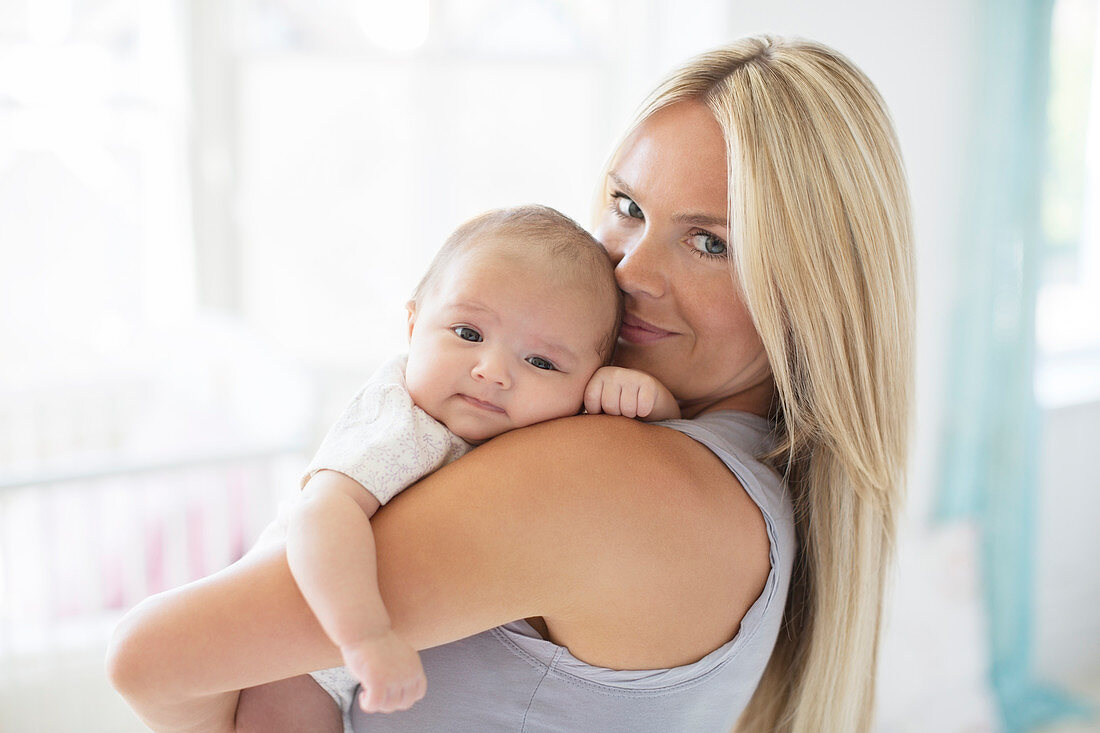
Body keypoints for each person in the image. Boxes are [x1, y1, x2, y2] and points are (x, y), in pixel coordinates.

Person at [106, 34, 913, 733]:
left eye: (710, 244)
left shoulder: (614, 475)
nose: (631, 271)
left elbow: (155, 656)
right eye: (627, 205)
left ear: (814, 290)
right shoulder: (749, 493)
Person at [248, 204, 677, 733]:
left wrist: (648, 403)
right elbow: (322, 513)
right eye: (468, 333)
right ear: (411, 325)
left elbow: (655, 453)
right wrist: (365, 636)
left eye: (541, 362)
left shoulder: (542, 432)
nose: (492, 371)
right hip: (294, 650)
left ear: (590, 378)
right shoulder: (403, 422)